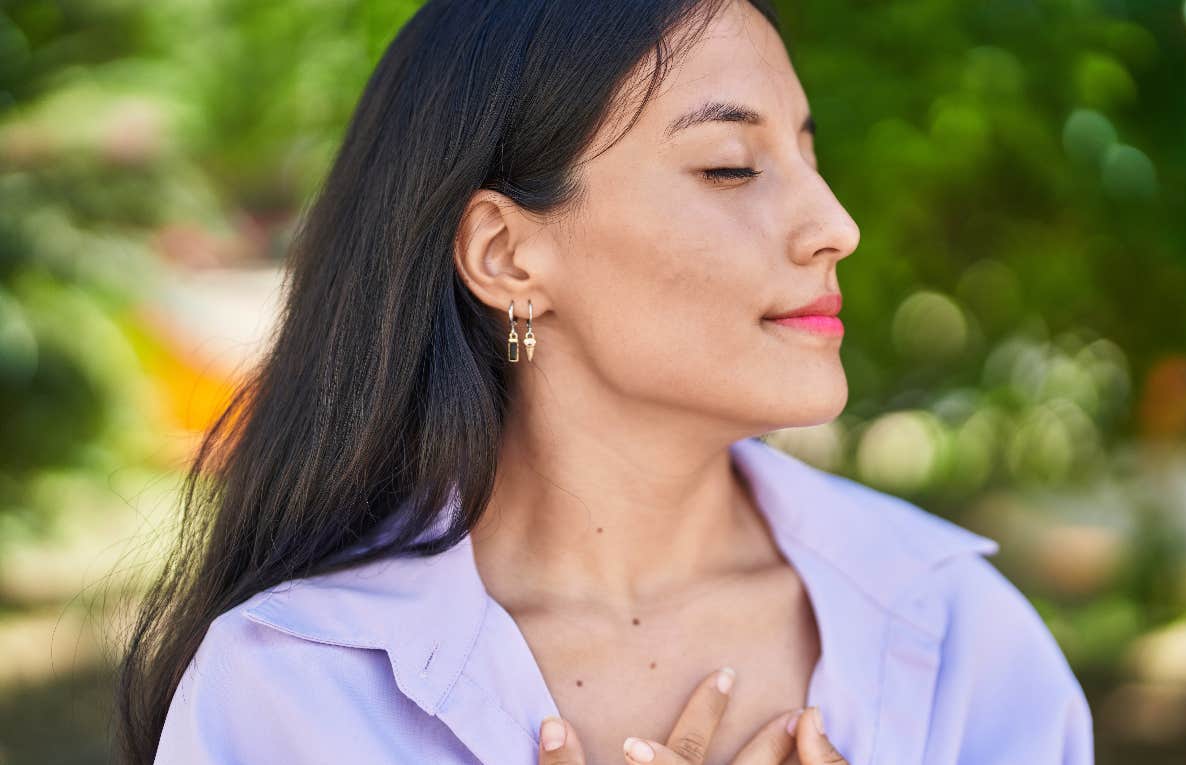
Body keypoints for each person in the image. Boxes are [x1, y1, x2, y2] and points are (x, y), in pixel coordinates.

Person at [116, 0, 1094, 763]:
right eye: (727, 166)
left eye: (807, 153)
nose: (834, 225)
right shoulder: (293, 687)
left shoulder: (955, 629)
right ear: (506, 254)